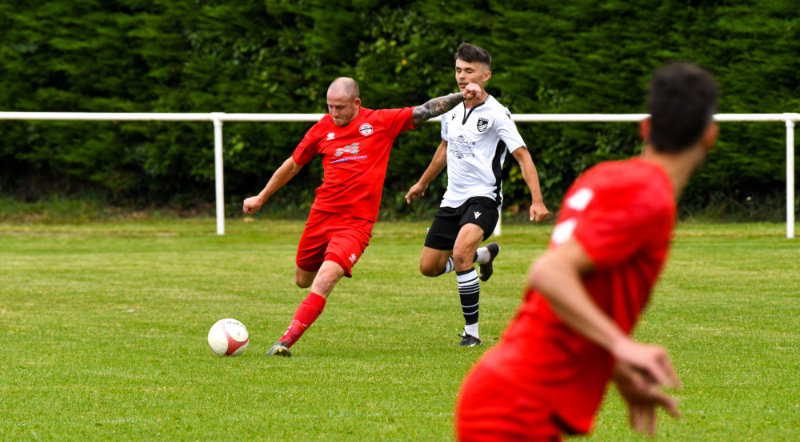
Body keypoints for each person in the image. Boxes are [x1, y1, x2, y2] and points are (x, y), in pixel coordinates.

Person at [455, 61, 720, 440]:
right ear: (710, 136)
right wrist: (622, 347)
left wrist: (621, 372)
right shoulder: (650, 197)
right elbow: (549, 273)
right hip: (515, 408)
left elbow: (576, 303)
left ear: (645, 127)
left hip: (508, 392)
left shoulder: (605, 176)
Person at [243, 77, 482, 357]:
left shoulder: (380, 122)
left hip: (355, 224)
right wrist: (261, 197)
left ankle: (284, 342)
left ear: (356, 103)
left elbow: (426, 109)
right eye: (330, 107)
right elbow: (293, 165)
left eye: (340, 107)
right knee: (302, 279)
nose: (334, 113)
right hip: (321, 216)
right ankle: (481, 255)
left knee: (325, 279)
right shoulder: (321, 129)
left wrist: (461, 95)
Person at [404, 42, 549, 347]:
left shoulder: (498, 114)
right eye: (458, 70)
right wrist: (422, 182)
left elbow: (523, 157)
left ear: (486, 76)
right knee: (429, 267)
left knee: (459, 254)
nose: (462, 76)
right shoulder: (451, 108)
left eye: (469, 71)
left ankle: (472, 334)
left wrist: (536, 200)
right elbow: (444, 148)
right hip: (452, 199)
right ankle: (484, 255)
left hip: (484, 198)